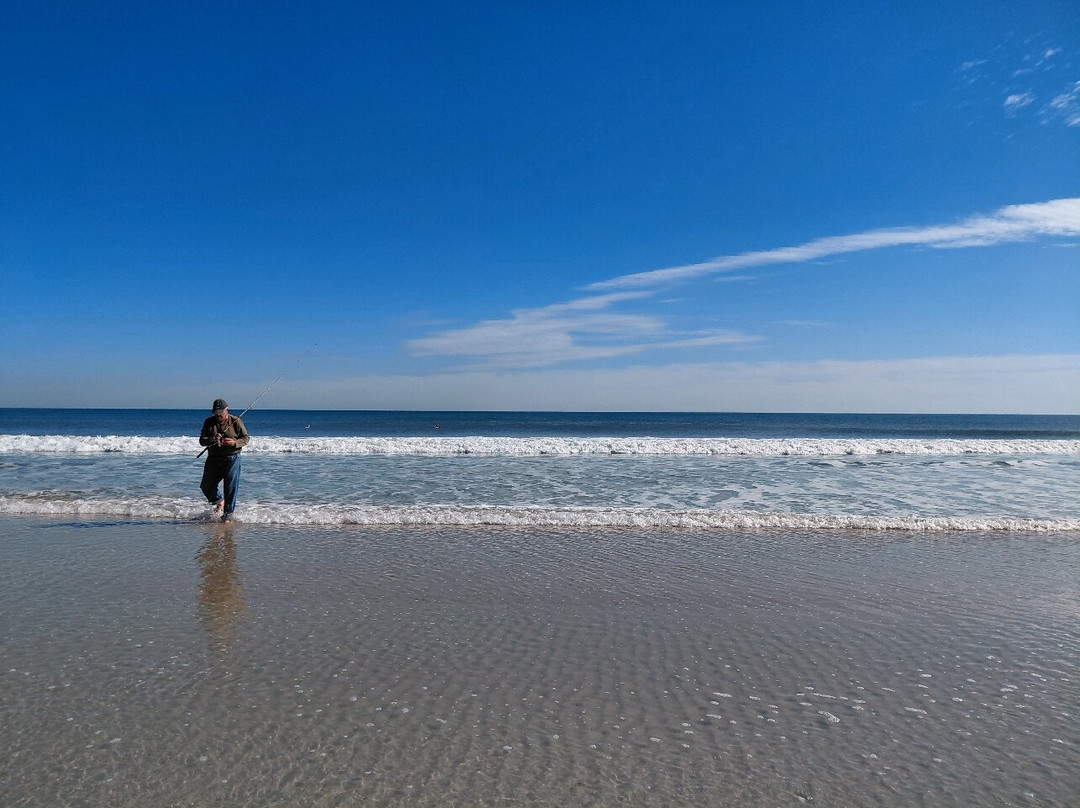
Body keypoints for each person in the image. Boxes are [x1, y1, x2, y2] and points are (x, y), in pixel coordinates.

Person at [199, 399, 249, 521]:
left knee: (230, 487)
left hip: (232, 457)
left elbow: (246, 438)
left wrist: (234, 442)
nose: (218, 415)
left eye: (220, 412)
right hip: (214, 458)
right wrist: (212, 439)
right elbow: (202, 441)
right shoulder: (209, 422)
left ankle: (228, 516)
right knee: (206, 485)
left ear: (227, 410)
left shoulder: (236, 421)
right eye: (216, 413)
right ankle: (219, 501)